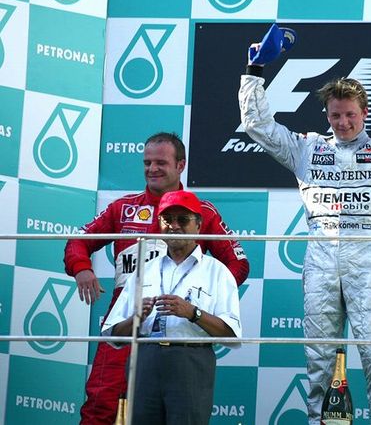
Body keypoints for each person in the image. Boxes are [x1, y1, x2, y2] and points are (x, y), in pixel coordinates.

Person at [239, 31, 371, 424]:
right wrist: (254, 71)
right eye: (335, 115)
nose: (342, 122)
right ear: (327, 115)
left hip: (369, 260)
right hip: (320, 260)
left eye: (350, 115)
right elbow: (257, 124)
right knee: (319, 358)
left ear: (365, 112)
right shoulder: (307, 148)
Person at [64, 132, 249, 425]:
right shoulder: (123, 208)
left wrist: (203, 298)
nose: (152, 169)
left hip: (177, 331)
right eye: (147, 162)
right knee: (101, 404)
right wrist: (81, 267)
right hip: (128, 322)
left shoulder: (201, 213)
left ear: (181, 165)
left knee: (175, 414)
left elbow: (238, 263)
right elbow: (78, 241)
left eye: (160, 162)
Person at [102, 190, 242, 424]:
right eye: (167, 220)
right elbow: (113, 334)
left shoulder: (217, 272)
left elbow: (231, 334)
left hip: (190, 361)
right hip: (145, 359)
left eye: (183, 220)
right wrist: (136, 319)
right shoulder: (144, 269)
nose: (174, 226)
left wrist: (194, 313)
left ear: (199, 225)